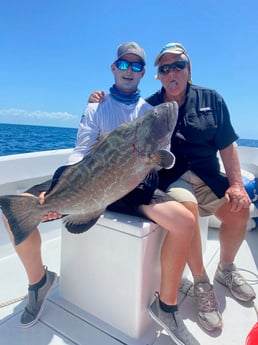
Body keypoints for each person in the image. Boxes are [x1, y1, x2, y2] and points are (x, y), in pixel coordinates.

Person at [2, 42, 201, 345]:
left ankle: (167, 307)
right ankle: (39, 283)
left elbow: (162, 157)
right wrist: (57, 194)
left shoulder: (148, 111)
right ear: (114, 67)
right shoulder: (96, 105)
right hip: (90, 186)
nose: (129, 71)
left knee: (185, 222)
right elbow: (81, 151)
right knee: (16, 211)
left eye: (136, 66)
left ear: (143, 73)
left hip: (131, 187)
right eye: (124, 64)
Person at [89, 42, 256, 333]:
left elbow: (228, 145)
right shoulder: (150, 107)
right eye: (164, 68)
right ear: (159, 76)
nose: (171, 72)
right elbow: (123, 121)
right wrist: (99, 97)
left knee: (240, 210)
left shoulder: (211, 99)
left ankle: (226, 269)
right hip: (174, 179)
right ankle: (201, 283)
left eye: (177, 65)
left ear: (188, 70)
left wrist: (237, 185)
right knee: (186, 209)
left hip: (208, 176)